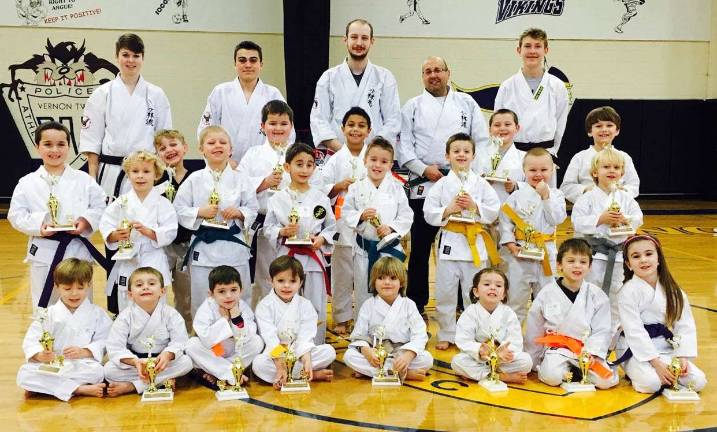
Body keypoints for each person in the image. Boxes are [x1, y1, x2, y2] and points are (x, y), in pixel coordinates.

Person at [399, 56, 489, 315]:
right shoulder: (412, 106)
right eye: (427, 71)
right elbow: (403, 146)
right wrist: (423, 168)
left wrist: (469, 172)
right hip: (424, 183)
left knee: (460, 245)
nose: (433, 75)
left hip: (460, 186)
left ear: (449, 73)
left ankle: (465, 303)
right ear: (422, 77)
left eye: (438, 70)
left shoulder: (466, 103)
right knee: (419, 248)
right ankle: (417, 303)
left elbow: (481, 141)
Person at [8, 122, 106, 309]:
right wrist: (39, 227)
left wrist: (85, 221)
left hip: (77, 251)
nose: (55, 150)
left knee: (81, 304)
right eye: (48, 144)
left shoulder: (84, 180)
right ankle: (47, 338)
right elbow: (16, 215)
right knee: (45, 306)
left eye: (61, 144)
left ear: (69, 147)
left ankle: (81, 338)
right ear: (37, 147)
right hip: (44, 251)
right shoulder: (26, 182)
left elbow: (100, 206)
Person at [423, 133, 501, 350]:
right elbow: (428, 213)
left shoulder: (482, 184)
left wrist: (475, 206)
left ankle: (474, 334)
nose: (461, 155)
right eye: (456, 151)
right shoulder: (440, 185)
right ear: (447, 156)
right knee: (445, 291)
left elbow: (493, 210)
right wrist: (449, 209)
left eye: (466, 151)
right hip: (450, 242)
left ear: (473, 156)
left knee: (474, 290)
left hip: (475, 242)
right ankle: (447, 333)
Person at [174, 126, 258, 316]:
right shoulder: (193, 179)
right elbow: (179, 209)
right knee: (202, 297)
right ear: (201, 149)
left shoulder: (242, 179)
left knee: (239, 296)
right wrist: (200, 211)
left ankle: (242, 335)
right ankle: (204, 338)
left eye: (222, 142)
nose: (217, 146)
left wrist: (239, 212)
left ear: (231, 149)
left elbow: (252, 208)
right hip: (204, 248)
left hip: (234, 247)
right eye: (211, 143)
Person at [80, 33, 172, 199]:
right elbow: (92, 141)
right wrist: (92, 178)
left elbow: (164, 140)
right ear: (116, 57)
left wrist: (159, 174)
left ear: (143, 58)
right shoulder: (102, 93)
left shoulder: (156, 94)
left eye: (136, 56)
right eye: (125, 55)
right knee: (111, 222)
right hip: (110, 170)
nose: (131, 60)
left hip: (145, 171)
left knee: (145, 221)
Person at [615, 234, 707, 394]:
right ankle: (640, 372)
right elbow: (634, 331)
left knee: (698, 381)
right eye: (636, 256)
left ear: (659, 259)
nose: (643, 260)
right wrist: (657, 364)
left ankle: (667, 375)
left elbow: (685, 326)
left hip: (663, 345)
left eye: (649, 254)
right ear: (629, 264)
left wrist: (682, 358)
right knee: (650, 384)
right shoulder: (627, 292)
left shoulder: (674, 291)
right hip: (634, 348)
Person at [264, 143, 336, 344]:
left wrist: (321, 239)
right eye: (299, 164)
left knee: (315, 305)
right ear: (287, 167)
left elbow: (331, 227)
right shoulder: (277, 198)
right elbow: (268, 228)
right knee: (285, 303)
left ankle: (314, 349)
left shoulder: (320, 198)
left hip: (313, 259)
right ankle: (285, 349)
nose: (304, 169)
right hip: (287, 257)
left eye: (309, 164)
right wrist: (282, 231)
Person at [525, 239, 618, 389]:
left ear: (590, 267)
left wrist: (592, 353)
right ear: (559, 264)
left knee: (605, 381)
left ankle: (575, 371)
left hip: (586, 350)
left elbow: (602, 329)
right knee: (552, 376)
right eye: (571, 261)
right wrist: (532, 361)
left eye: (583, 262)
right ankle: (574, 372)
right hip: (558, 350)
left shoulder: (596, 295)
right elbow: (534, 327)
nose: (577, 266)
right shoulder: (547, 293)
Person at [17, 258, 112, 401]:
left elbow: (105, 340)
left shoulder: (98, 313)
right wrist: (39, 355)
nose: (74, 294)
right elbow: (32, 340)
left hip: (82, 364)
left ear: (89, 285)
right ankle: (78, 389)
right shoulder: (47, 314)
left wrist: (85, 351)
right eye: (67, 289)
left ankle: (46, 388)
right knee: (24, 373)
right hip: (52, 365)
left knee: (98, 372)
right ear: (57, 286)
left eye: (80, 288)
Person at [342, 137, 412, 326]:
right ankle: (363, 332)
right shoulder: (356, 188)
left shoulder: (397, 188)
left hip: (389, 249)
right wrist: (361, 215)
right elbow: (346, 212)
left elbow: (406, 216)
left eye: (384, 161)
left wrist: (391, 228)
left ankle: (393, 329)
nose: (378, 165)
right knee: (364, 290)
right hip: (364, 250)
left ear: (390, 165)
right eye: (373, 159)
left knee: (391, 290)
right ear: (365, 160)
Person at [571, 147, 643, 328]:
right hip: (593, 255)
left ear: (622, 173)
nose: (612, 171)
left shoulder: (626, 198)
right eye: (606, 167)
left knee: (616, 294)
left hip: (617, 255)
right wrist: (599, 219)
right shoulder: (587, 197)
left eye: (616, 168)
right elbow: (577, 222)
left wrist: (626, 220)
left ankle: (612, 336)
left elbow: (638, 218)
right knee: (589, 291)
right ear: (595, 172)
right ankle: (586, 330)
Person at [100, 151, 178, 313]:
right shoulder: (120, 202)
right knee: (127, 306)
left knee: (156, 306)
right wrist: (115, 235)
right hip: (128, 261)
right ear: (128, 175)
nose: (140, 176)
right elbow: (106, 225)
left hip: (153, 259)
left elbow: (170, 230)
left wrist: (149, 232)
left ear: (156, 175)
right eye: (135, 171)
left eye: (146, 171)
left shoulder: (162, 203)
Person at [319, 106, 372, 334]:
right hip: (342, 221)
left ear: (369, 130)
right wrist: (339, 186)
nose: (355, 129)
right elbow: (322, 189)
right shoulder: (334, 160)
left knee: (364, 271)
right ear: (342, 129)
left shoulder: (373, 156)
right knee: (341, 271)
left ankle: (363, 317)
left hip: (367, 222)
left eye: (361, 126)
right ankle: (341, 316)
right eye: (351, 125)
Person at [310, 19, 401, 151]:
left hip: (374, 156)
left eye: (364, 38)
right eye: (354, 37)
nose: (359, 43)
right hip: (337, 154)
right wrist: (343, 151)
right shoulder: (329, 77)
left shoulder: (385, 77)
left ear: (372, 41)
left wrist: (371, 150)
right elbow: (318, 119)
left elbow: (393, 119)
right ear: (345, 40)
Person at [198, 41, 293, 164]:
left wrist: (276, 161)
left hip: (264, 165)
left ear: (261, 64)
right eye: (242, 60)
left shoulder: (273, 94)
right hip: (226, 165)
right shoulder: (221, 92)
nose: (248, 65)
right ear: (235, 64)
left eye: (253, 60)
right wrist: (223, 161)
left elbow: (287, 132)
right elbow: (206, 130)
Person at [499, 147, 567, 322]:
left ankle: (546, 341)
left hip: (546, 252)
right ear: (524, 171)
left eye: (544, 170)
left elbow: (556, 219)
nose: (538, 174)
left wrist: (546, 197)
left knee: (548, 299)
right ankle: (513, 340)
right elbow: (505, 221)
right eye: (532, 170)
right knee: (516, 300)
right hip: (520, 254)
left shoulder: (557, 195)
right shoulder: (515, 196)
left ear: (552, 170)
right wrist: (509, 243)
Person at [103, 267, 193, 397]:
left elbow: (180, 341)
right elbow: (115, 348)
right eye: (139, 285)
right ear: (130, 294)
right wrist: (135, 362)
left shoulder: (170, 314)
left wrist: (168, 354)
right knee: (109, 371)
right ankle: (161, 381)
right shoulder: (124, 317)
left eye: (151, 284)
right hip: (137, 364)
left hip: (162, 362)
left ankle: (133, 386)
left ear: (162, 291)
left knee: (186, 362)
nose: (145, 287)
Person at [238, 100, 294, 303]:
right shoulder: (253, 154)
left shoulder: (298, 153)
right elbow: (240, 187)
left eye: (283, 123)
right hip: (263, 223)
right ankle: (263, 325)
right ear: (262, 127)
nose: (278, 128)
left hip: (293, 225)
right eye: (272, 123)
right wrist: (264, 183)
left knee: (293, 275)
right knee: (265, 275)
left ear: (291, 126)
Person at [252, 256, 336, 389]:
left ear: (300, 282)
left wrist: (306, 358)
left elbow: (305, 336)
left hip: (298, 350)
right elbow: (270, 338)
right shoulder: (264, 305)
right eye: (280, 280)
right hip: (277, 351)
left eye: (292, 281)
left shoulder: (305, 305)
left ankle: (292, 374)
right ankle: (307, 374)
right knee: (258, 364)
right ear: (271, 281)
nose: (286, 286)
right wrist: (280, 365)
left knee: (329, 351)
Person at [344, 256, 432, 381]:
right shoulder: (368, 305)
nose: (387, 282)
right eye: (381, 278)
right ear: (374, 281)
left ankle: (376, 372)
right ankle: (404, 374)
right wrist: (366, 351)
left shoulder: (409, 305)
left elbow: (420, 335)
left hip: (401, 353)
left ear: (401, 282)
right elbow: (358, 335)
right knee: (349, 356)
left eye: (393, 278)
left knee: (427, 359)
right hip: (376, 354)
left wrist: (408, 355)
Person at [494, 28, 569, 157]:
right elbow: (498, 124)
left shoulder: (557, 86)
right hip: (513, 154)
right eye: (527, 46)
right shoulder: (507, 86)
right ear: (519, 50)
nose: (532, 51)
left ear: (546, 50)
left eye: (538, 46)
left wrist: (552, 152)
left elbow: (561, 124)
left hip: (546, 154)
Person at [185, 266, 264, 389]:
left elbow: (247, 337)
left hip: (235, 352)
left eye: (233, 290)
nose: (228, 296)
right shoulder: (206, 308)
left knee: (257, 342)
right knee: (191, 345)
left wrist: (236, 317)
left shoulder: (242, 307)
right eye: (221, 291)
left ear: (241, 290)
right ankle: (231, 374)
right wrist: (224, 320)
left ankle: (217, 372)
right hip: (214, 351)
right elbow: (206, 339)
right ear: (211, 294)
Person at [451, 268, 532, 384]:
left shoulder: (508, 313)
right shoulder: (470, 313)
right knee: (457, 361)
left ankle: (476, 374)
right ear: (476, 292)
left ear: (504, 294)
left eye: (498, 286)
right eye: (487, 284)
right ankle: (502, 377)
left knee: (526, 361)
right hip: (479, 359)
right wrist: (479, 350)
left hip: (501, 359)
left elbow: (515, 341)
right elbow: (463, 340)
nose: (493, 287)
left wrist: (501, 353)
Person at [153, 129, 195, 328]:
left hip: (187, 244)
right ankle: (157, 331)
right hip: (160, 246)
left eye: (173, 145)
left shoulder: (196, 178)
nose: (169, 150)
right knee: (156, 288)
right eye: (162, 148)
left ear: (185, 148)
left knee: (185, 293)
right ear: (157, 154)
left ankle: (185, 331)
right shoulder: (153, 181)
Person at [560, 106, 640, 204]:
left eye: (609, 125)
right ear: (590, 131)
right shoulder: (579, 158)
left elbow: (633, 185)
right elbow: (567, 187)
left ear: (617, 131)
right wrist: (587, 190)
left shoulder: (624, 157)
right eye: (598, 126)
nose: (604, 129)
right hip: (588, 206)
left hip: (617, 206)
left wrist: (620, 192)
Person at [472, 108, 525, 204]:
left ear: (517, 128)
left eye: (507, 124)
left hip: (511, 213)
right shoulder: (476, 155)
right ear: (489, 130)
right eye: (497, 125)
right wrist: (481, 182)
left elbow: (532, 187)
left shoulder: (525, 157)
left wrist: (515, 186)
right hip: (482, 210)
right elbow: (466, 181)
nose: (502, 128)